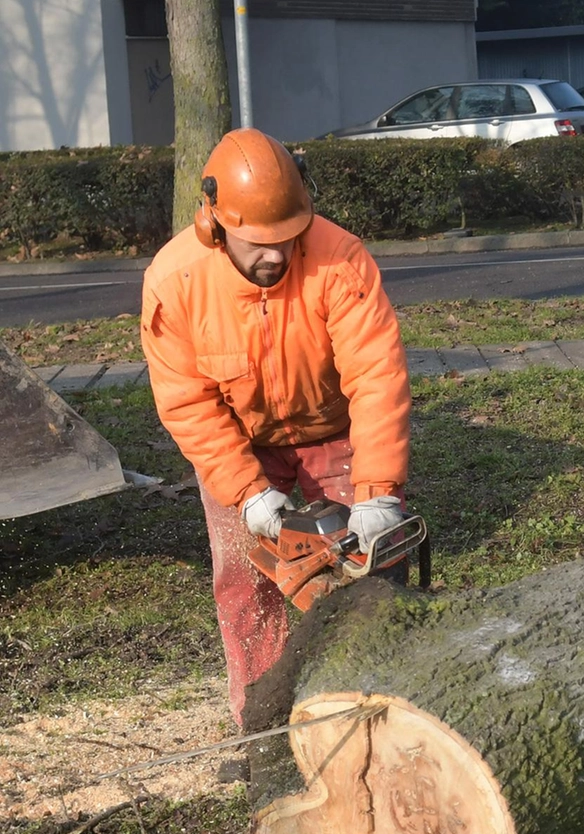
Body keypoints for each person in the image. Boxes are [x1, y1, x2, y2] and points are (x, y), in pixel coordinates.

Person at [140, 128, 413, 727]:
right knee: (246, 584)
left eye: (289, 239)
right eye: (259, 243)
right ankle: (260, 725)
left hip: (330, 431)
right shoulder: (175, 283)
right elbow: (189, 403)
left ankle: (376, 708)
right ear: (215, 226)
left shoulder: (339, 258)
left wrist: (378, 492)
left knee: (366, 568)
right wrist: (246, 492)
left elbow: (376, 375)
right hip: (240, 445)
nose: (277, 255)